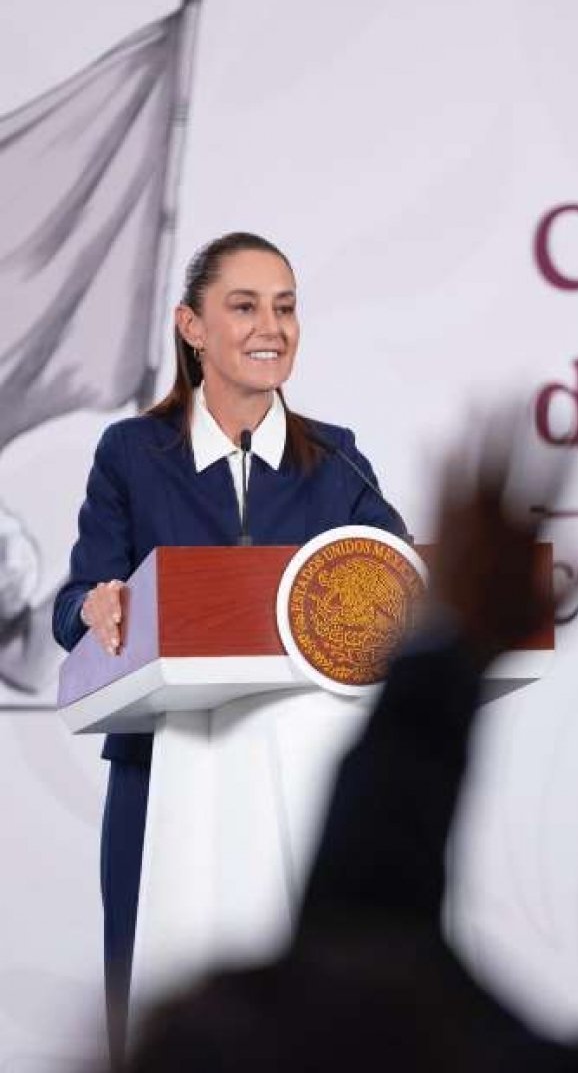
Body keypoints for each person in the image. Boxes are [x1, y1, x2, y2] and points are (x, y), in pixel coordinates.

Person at [122, 415, 578, 1073]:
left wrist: (454, 645)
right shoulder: (140, 452)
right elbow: (367, 948)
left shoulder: (337, 452)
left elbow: (365, 941)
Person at [52, 231, 407, 1067]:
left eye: (285, 307)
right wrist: (95, 605)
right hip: (161, 770)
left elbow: (398, 578)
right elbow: (76, 603)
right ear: (192, 326)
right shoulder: (132, 454)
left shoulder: (337, 459)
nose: (271, 326)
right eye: (244, 305)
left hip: (302, 774)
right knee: (158, 1010)